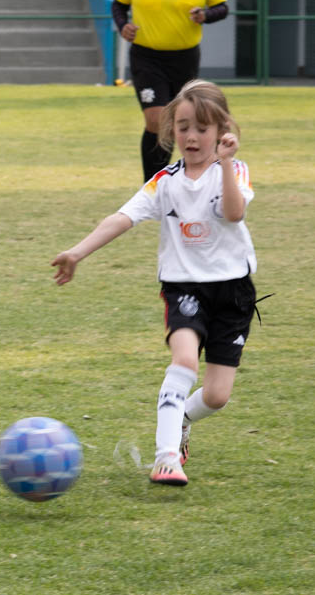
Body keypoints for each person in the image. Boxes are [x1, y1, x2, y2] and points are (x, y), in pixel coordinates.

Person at [51, 80, 257, 487]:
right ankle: (166, 457)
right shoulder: (164, 181)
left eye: (201, 128)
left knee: (216, 396)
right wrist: (77, 251)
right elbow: (121, 218)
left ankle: (179, 416)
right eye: (182, 127)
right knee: (183, 361)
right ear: (171, 132)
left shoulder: (233, 172)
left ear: (221, 130)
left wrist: (229, 165)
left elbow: (233, 214)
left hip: (233, 291)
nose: (191, 137)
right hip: (184, 288)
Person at [112, 0, 228, 182]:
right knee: (157, 119)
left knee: (185, 118)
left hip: (185, 59)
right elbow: (119, 5)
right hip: (146, 57)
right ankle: (154, 186)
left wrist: (204, 15)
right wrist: (123, 25)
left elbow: (222, 9)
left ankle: (200, 179)